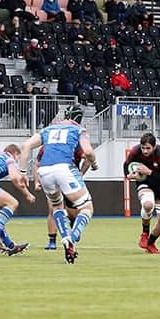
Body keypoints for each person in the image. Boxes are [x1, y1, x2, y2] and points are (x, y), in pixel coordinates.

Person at [19, 104, 97, 264]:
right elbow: (88, 152)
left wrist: (22, 172)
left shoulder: (48, 129)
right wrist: (94, 163)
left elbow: (26, 145)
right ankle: (73, 237)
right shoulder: (79, 130)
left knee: (56, 207)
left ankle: (65, 237)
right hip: (65, 169)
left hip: (44, 171)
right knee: (87, 208)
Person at [123, 132, 160, 254]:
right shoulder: (135, 151)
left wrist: (149, 172)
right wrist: (129, 175)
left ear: (154, 147)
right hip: (145, 184)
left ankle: (151, 243)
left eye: (148, 148)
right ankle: (145, 233)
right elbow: (126, 165)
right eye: (143, 147)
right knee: (148, 205)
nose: (144, 151)